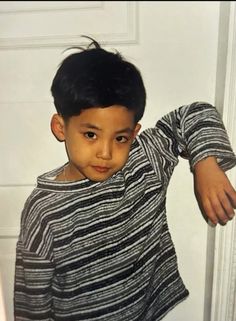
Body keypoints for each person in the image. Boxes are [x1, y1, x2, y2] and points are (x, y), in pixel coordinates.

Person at [14, 36, 236, 321]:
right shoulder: (44, 209)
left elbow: (194, 113)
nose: (105, 153)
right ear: (60, 127)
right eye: (90, 134)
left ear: (134, 133)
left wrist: (205, 163)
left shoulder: (143, 162)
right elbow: (31, 301)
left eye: (120, 138)